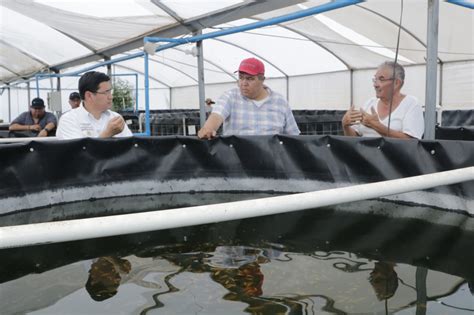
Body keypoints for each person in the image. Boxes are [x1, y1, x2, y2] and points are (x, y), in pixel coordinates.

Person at [198, 57, 300, 139]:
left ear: (262, 80)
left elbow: (293, 136)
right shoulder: (230, 97)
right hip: (238, 162)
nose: (243, 83)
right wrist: (208, 128)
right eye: (241, 77)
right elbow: (217, 115)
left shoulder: (280, 102)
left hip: (272, 163)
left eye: (250, 79)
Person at [342, 61, 424, 139]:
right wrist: (345, 125)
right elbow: (355, 139)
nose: (375, 85)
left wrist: (376, 125)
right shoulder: (370, 103)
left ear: (397, 83)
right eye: (375, 79)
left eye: (381, 79)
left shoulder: (411, 104)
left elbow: (411, 142)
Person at [56, 71, 132, 139]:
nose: (111, 96)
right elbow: (79, 153)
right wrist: (107, 134)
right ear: (89, 95)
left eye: (110, 92)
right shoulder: (69, 120)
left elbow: (130, 148)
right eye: (106, 92)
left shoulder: (115, 118)